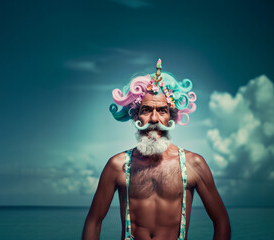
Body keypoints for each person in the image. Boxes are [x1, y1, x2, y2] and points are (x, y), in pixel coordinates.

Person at [82, 59, 231, 240]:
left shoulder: (194, 164)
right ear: (135, 115)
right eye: (146, 110)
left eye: (162, 110)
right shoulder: (118, 165)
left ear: (172, 116)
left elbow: (221, 222)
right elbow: (94, 222)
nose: (154, 119)